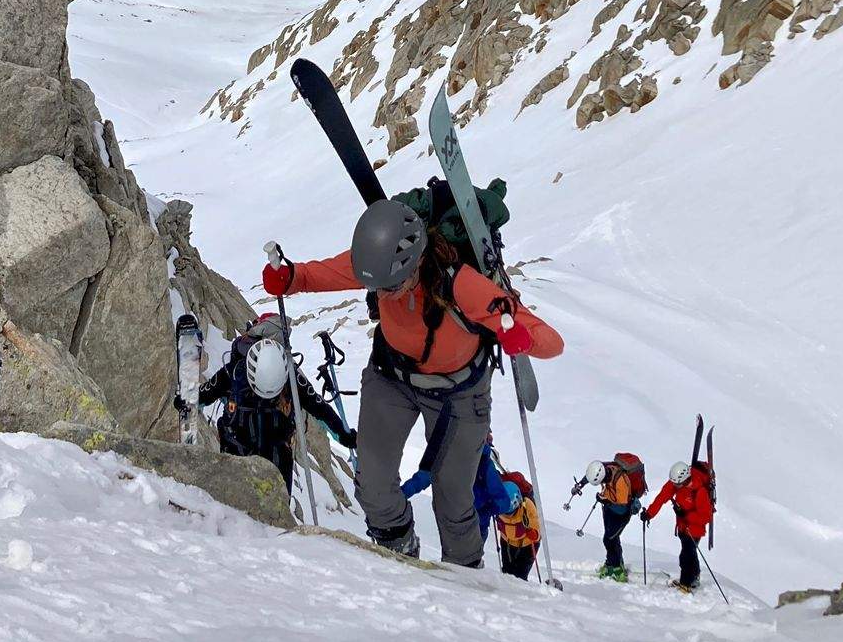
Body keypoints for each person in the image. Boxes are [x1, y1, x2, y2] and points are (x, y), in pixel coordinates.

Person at [262, 197, 564, 566]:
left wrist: (522, 338)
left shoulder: (464, 286)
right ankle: (398, 553)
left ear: (415, 261)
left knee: (453, 500)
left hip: (459, 395)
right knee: (372, 485)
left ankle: (467, 577)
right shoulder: (377, 263)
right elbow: (320, 275)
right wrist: (289, 278)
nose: (382, 295)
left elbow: (551, 340)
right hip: (392, 377)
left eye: (391, 286)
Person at [186, 315, 354, 484]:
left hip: (237, 459)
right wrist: (342, 434)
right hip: (275, 466)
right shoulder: (289, 377)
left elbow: (205, 395)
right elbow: (319, 407)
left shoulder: (234, 373)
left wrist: (188, 400)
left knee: (233, 507)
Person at [401, 439, 536, 578]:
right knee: (465, 564)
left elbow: (423, 478)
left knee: (460, 561)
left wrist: (398, 495)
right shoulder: (483, 463)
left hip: (459, 522)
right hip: (471, 526)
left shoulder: (451, 456)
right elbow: (501, 500)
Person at [643, 458, 715, 591]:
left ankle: (685, 584)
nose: (674, 486)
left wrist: (686, 515)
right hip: (683, 526)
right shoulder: (677, 482)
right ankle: (694, 577)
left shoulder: (700, 491)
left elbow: (705, 517)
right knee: (690, 553)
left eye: (677, 483)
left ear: (684, 479)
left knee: (686, 556)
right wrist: (649, 514)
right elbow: (662, 496)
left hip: (694, 529)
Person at [587, 452, 646, 582]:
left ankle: (617, 569)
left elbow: (622, 504)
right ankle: (613, 563)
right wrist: (604, 499)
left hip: (621, 514)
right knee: (612, 539)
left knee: (609, 539)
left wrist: (605, 500)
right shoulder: (608, 471)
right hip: (610, 510)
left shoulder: (620, 480)